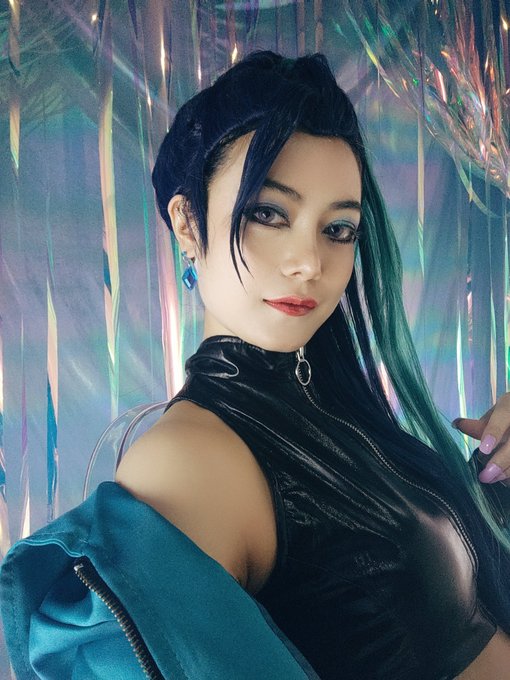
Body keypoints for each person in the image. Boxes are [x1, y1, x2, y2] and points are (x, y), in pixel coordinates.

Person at [2, 50, 510, 680]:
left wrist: (494, 486)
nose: (309, 262)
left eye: (338, 229)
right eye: (269, 214)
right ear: (188, 223)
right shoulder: (192, 462)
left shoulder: (331, 406)